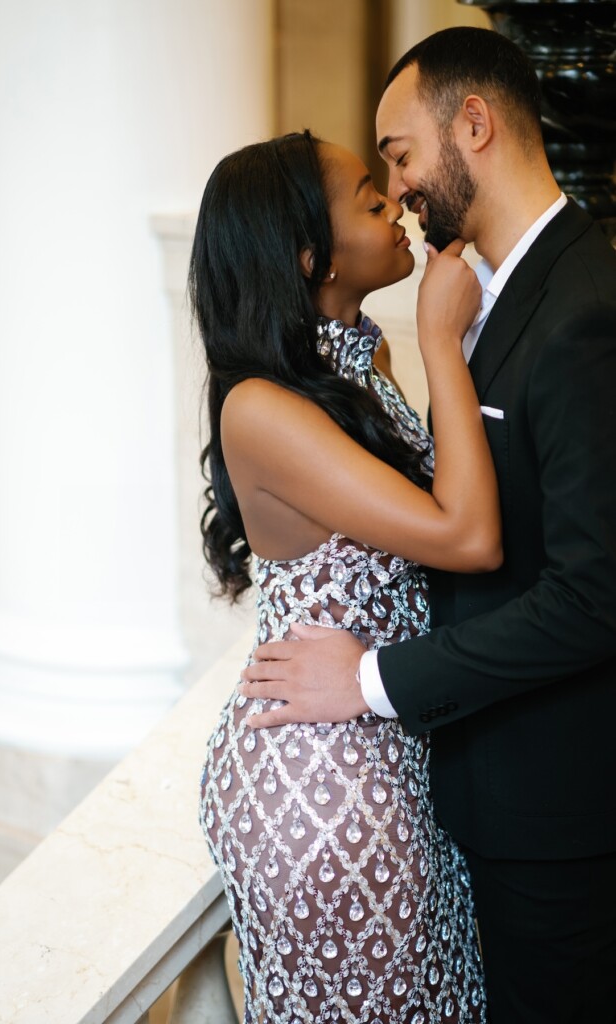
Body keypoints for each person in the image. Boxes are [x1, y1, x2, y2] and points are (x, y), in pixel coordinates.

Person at [241, 28, 616, 1023]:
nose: (398, 187)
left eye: (399, 155)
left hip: (556, 810)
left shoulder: (580, 309)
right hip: (465, 789)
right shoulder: (490, 297)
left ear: (474, 126)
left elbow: (592, 596)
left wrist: (368, 679)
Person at [193, 128, 499, 1022]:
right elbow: (467, 535)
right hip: (323, 783)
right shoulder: (261, 406)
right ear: (305, 253)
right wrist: (443, 336)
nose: (400, 203)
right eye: (371, 199)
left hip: (387, 742)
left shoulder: (357, 361)